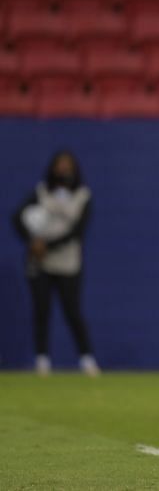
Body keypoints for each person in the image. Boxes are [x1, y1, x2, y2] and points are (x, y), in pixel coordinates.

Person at [13, 150, 100, 377]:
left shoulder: (82, 195)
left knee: (73, 312)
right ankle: (42, 360)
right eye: (59, 165)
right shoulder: (42, 192)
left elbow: (77, 231)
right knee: (41, 310)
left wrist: (47, 246)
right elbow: (17, 218)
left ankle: (87, 359)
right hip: (39, 263)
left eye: (67, 165)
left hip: (68, 263)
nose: (63, 170)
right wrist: (33, 243)